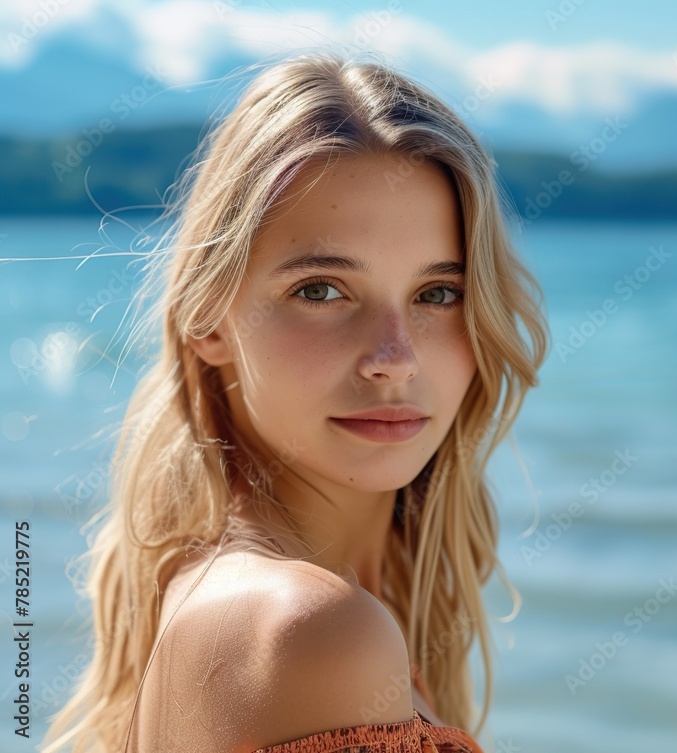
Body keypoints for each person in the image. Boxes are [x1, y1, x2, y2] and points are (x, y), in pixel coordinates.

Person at [40, 49, 549, 753]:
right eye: (321, 290)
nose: (393, 359)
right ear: (209, 318)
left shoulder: (240, 605)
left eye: (438, 293)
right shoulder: (309, 630)